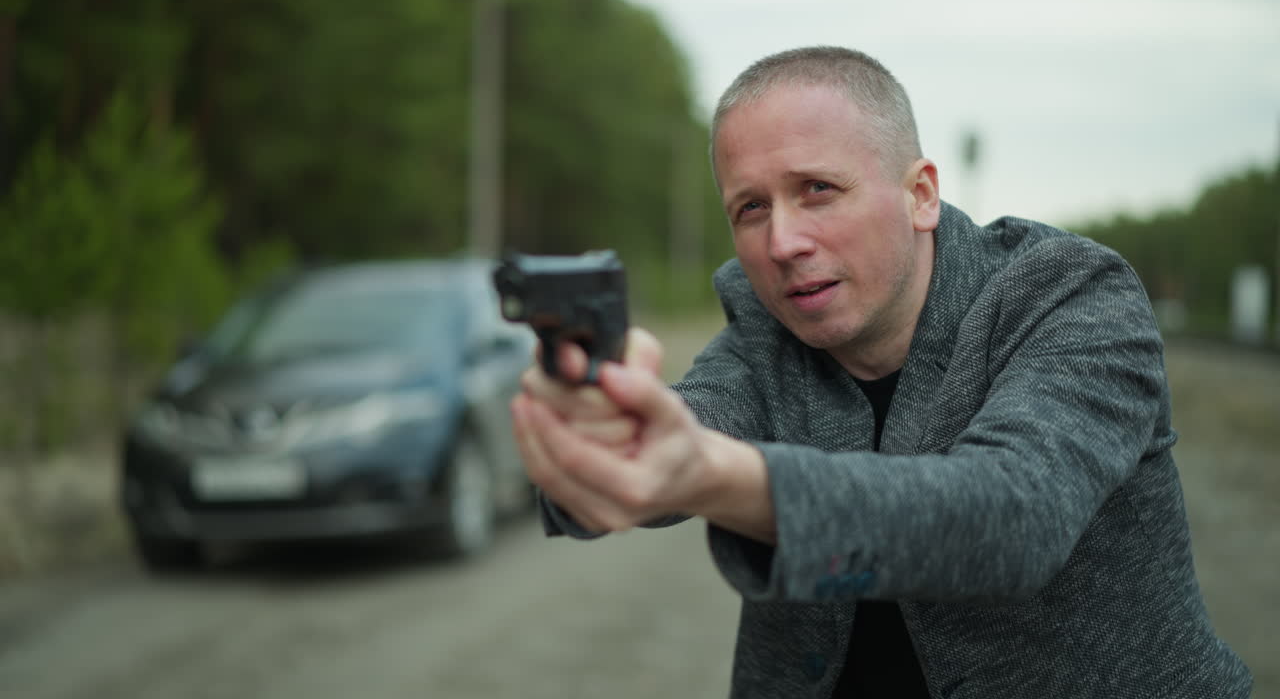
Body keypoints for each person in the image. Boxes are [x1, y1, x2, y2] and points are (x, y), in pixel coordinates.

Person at [509, 46, 1252, 698]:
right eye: (750, 208)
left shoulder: (1071, 294)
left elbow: (1015, 515)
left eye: (817, 190)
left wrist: (710, 476)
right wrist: (598, 435)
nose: (783, 241)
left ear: (920, 194)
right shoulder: (764, 331)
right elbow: (694, 417)